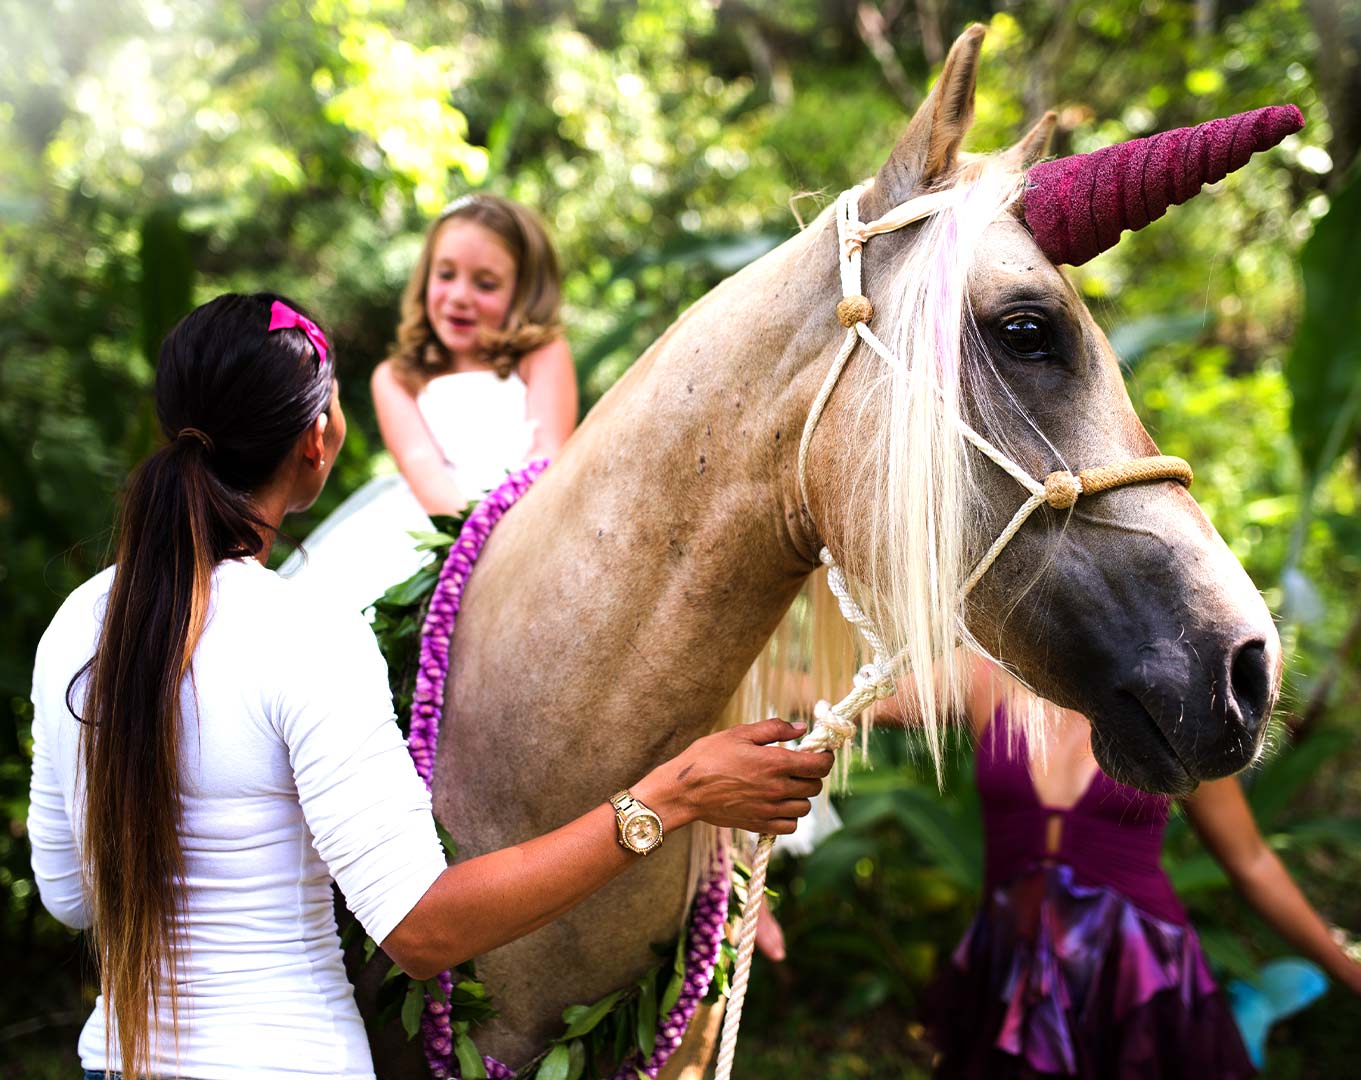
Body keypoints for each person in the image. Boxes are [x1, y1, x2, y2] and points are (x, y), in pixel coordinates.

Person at [27, 292, 833, 1080]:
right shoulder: (302, 632)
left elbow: (69, 896)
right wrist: (671, 798)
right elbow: (420, 929)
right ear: (318, 438)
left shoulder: (74, 625)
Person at [923, 660, 1361, 1078]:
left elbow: (1251, 861)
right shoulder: (982, 669)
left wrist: (1347, 969)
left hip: (1139, 978)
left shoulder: (1180, 702)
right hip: (1008, 968)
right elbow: (858, 701)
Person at [280, 193, 577, 616]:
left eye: (486, 283)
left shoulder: (542, 353)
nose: (459, 295)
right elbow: (423, 467)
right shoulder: (397, 377)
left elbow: (548, 449)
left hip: (528, 516)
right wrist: (471, 543)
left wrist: (514, 538)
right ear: (425, 280)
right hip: (433, 530)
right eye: (446, 274)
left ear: (523, 293)